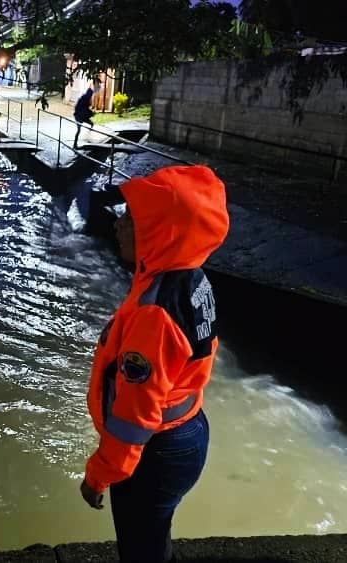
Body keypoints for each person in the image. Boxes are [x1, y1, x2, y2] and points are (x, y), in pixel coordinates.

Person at [79, 165, 229, 563]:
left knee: (139, 549)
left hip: (155, 452)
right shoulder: (189, 277)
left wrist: (99, 475)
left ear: (161, 231)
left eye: (131, 219)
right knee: (152, 537)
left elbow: (135, 417)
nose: (118, 225)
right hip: (186, 431)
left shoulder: (155, 313)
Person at [73, 81, 98, 149]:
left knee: (91, 124)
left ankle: (88, 135)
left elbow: (86, 109)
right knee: (78, 130)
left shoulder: (85, 98)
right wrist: (91, 113)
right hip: (78, 116)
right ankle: (75, 144)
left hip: (82, 115)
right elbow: (84, 109)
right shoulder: (84, 99)